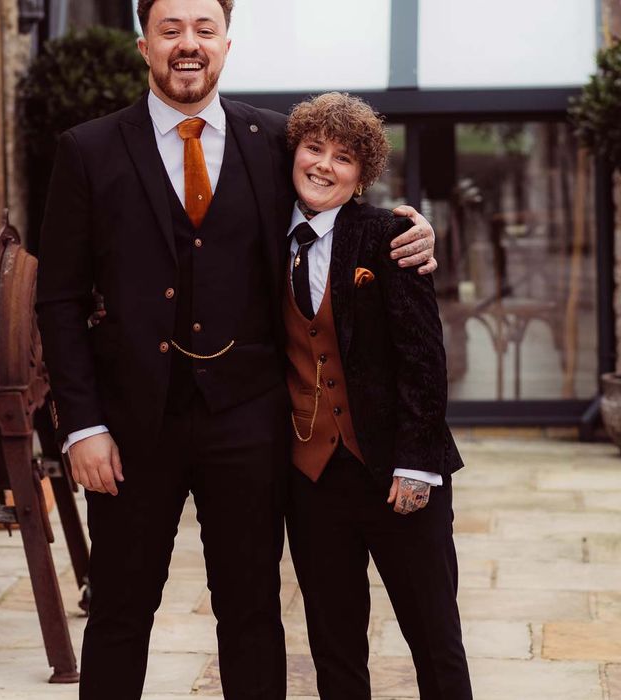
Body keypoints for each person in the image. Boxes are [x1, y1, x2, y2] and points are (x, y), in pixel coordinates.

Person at [35, 1, 437, 698]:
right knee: (120, 614)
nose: (187, 45)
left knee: (252, 615)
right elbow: (59, 300)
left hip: (249, 423)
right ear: (143, 45)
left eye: (203, 30)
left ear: (226, 43)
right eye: (170, 30)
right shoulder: (87, 150)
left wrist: (414, 234)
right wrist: (83, 426)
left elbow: (337, 207)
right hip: (130, 428)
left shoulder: (276, 142)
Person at [282, 91, 472, 700]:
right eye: (314, 149)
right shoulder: (263, 240)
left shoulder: (390, 236)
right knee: (334, 651)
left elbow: (424, 360)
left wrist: (417, 464)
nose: (323, 165)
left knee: (435, 641)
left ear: (362, 175)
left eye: (343, 157)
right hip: (314, 482)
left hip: (398, 472)